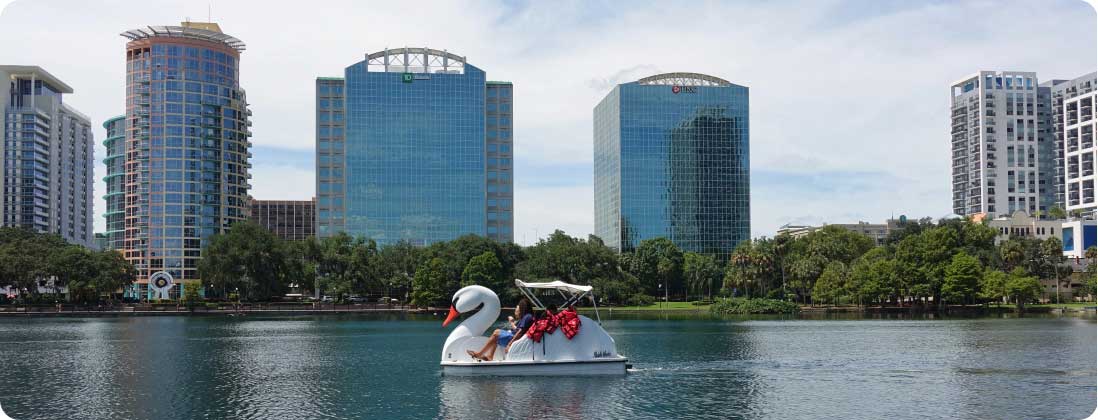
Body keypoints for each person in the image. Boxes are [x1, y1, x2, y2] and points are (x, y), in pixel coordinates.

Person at [468, 298, 533, 361]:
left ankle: (480, 354)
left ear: (523, 307)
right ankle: (490, 356)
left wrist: (510, 344)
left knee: (496, 333)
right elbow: (519, 330)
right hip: (515, 336)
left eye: (519, 307)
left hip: (515, 339)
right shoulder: (527, 316)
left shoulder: (527, 317)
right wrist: (512, 323)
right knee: (497, 334)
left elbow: (520, 332)